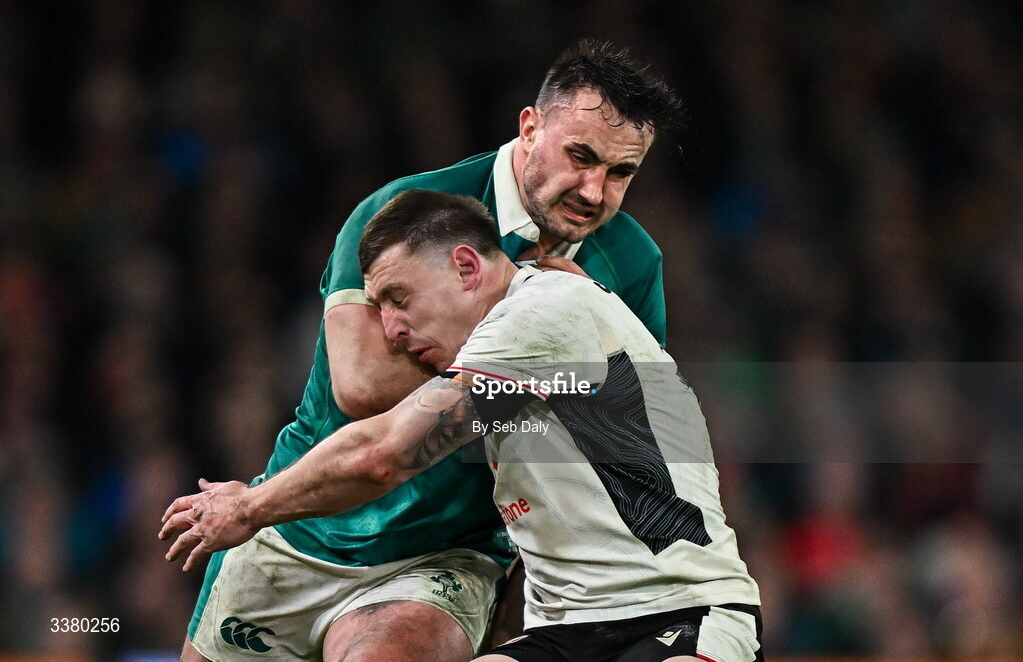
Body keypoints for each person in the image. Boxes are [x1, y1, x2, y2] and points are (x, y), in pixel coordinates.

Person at [174, 39, 685, 661]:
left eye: (621, 173)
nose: (594, 189)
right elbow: (361, 387)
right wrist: (545, 343)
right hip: (299, 521)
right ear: (531, 128)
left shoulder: (633, 263)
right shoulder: (406, 214)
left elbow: (618, 430)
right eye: (580, 156)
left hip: (448, 555)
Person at [161, 189, 763, 662]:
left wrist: (249, 507)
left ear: (467, 267)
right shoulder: (527, 342)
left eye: (399, 297)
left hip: (679, 612)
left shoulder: (542, 316)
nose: (391, 329)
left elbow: (385, 454)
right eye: (377, 308)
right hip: (570, 634)